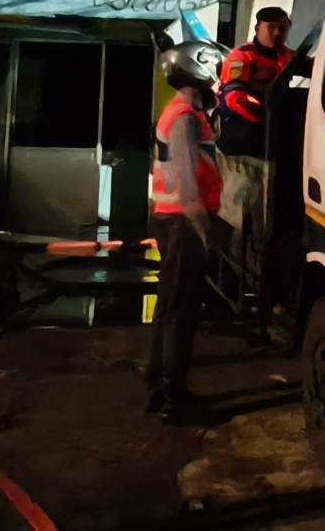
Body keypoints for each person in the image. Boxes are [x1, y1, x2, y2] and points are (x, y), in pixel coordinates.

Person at [147, 38, 226, 423]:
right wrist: (201, 224)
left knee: (168, 307)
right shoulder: (183, 117)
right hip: (183, 219)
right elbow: (186, 175)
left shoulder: (185, 111)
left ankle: (158, 389)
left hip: (174, 218)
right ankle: (173, 399)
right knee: (180, 311)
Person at [217, 6, 294, 154]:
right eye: (272, 28)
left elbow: (311, 67)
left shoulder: (286, 55)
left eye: (282, 28)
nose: (277, 33)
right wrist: (267, 116)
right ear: (257, 28)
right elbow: (235, 98)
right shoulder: (242, 55)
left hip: (271, 130)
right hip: (242, 131)